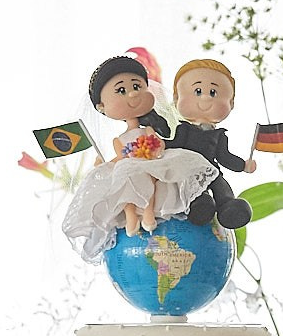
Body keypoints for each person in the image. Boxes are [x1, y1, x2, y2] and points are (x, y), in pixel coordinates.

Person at [60, 53, 217, 261]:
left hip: (152, 163)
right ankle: (132, 215)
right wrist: (103, 165)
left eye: (137, 87)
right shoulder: (119, 139)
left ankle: (149, 212)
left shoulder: (149, 129)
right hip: (129, 167)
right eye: (121, 91)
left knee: (149, 178)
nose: (133, 95)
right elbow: (119, 159)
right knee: (123, 181)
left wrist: (156, 148)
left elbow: (159, 144)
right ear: (102, 107)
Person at [167, 58, 254, 230]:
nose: (206, 97)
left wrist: (243, 165)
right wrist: (156, 145)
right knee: (198, 194)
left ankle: (229, 208)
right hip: (188, 172)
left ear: (231, 103)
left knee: (221, 186)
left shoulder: (219, 135)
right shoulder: (183, 129)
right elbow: (174, 146)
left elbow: (224, 157)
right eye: (197, 91)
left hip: (212, 171)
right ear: (177, 98)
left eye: (213, 92)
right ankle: (200, 203)